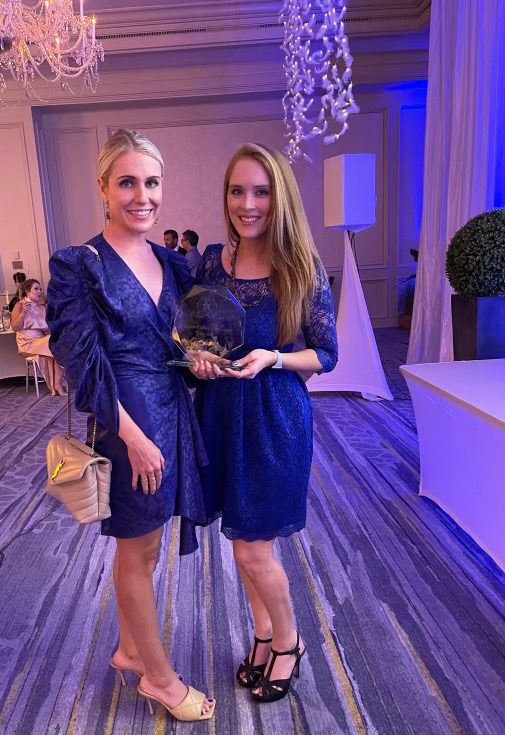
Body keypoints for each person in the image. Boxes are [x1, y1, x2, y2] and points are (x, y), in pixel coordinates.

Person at [47, 128, 214, 722]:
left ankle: (126, 649)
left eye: (151, 182)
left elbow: (171, 344)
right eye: (127, 182)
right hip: (128, 427)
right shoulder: (80, 265)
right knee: (138, 552)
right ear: (103, 188)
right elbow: (83, 363)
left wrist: (193, 361)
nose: (141, 195)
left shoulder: (169, 260)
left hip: (171, 416)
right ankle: (160, 680)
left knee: (143, 548)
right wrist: (132, 438)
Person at [191, 142, 338, 703]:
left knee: (255, 549)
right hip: (222, 414)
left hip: (275, 417)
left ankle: (291, 642)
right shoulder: (212, 262)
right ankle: (262, 637)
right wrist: (199, 361)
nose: (247, 204)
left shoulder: (301, 266)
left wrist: (275, 357)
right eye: (237, 191)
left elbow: (327, 354)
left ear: (279, 198)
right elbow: (200, 337)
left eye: (261, 191)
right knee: (241, 546)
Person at [11, 279, 67, 397]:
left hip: (41, 340)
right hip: (27, 343)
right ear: (27, 291)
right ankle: (57, 385)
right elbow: (15, 328)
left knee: (61, 343)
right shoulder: (20, 305)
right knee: (57, 345)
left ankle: (57, 383)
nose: (40, 291)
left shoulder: (42, 308)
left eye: (41, 289)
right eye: (36, 289)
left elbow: (47, 330)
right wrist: (23, 314)